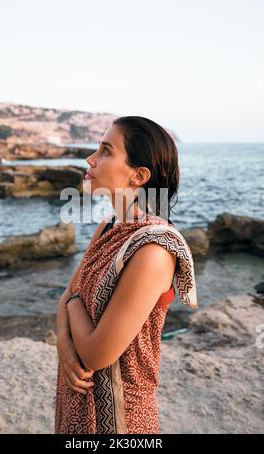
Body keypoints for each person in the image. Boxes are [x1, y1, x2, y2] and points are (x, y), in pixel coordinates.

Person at [55, 116, 197, 434]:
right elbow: (65, 295)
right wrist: (64, 346)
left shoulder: (153, 250)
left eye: (105, 151)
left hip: (121, 417)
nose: (90, 159)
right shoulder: (108, 226)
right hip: (76, 397)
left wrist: (72, 301)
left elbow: (95, 353)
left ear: (139, 175)